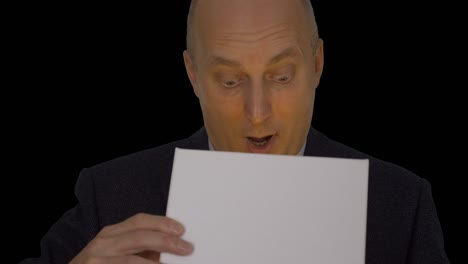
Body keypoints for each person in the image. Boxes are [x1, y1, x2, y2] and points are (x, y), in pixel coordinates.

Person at [21, 0, 449, 263]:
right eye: (229, 81)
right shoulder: (112, 194)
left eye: (281, 76)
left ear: (317, 65)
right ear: (192, 75)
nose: (257, 112)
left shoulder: (400, 203)